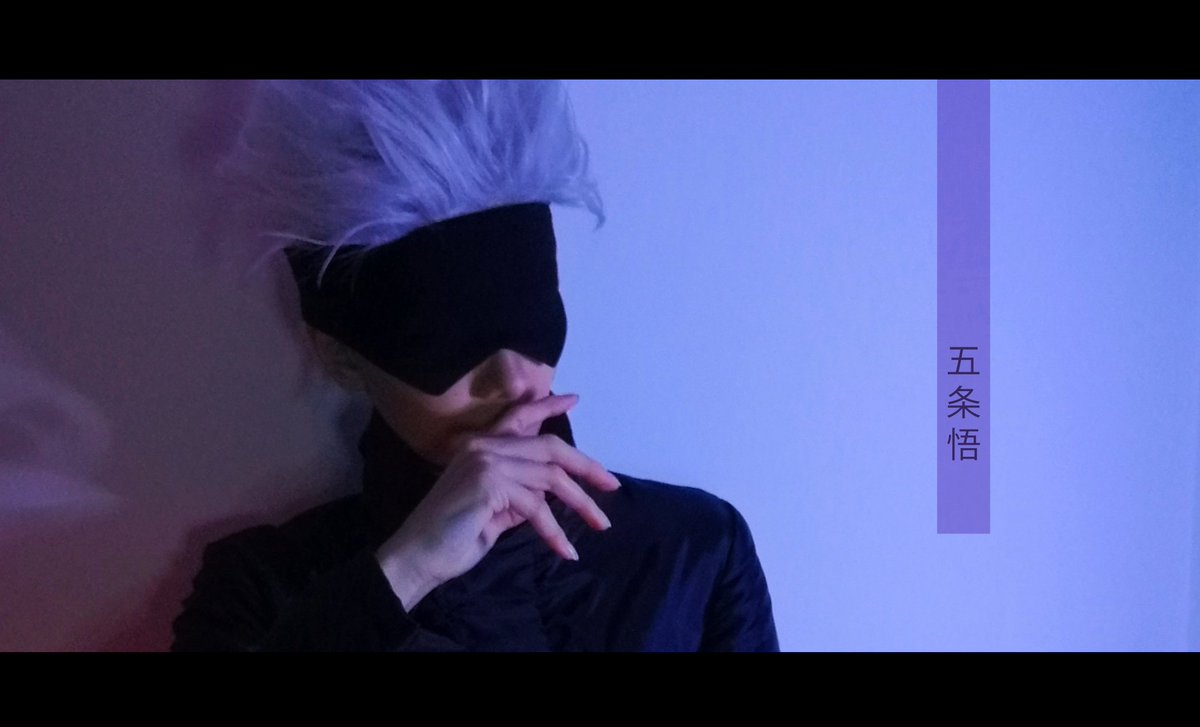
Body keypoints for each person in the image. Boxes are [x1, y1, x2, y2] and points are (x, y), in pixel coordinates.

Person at [170, 80, 779, 651]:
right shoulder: (260, 592)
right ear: (340, 354)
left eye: (532, 326)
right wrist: (406, 570)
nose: (513, 381)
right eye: (447, 343)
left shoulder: (696, 551)